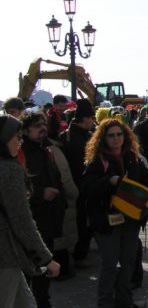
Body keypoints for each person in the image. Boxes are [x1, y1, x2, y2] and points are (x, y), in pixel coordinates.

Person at [81, 118, 148, 308]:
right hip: (107, 220)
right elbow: (87, 189)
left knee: (128, 262)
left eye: (119, 134)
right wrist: (108, 182)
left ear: (125, 136)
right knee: (110, 264)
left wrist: (145, 203)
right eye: (111, 135)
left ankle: (124, 301)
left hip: (131, 219)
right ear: (103, 138)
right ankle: (105, 304)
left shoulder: (133, 157)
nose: (116, 139)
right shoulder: (98, 161)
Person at [0, 115, 61, 308]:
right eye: (16, 136)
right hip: (6, 258)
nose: (20, 141)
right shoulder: (8, 170)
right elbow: (22, 221)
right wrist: (46, 258)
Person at [20, 111, 67, 308]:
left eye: (44, 124)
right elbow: (18, 189)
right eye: (37, 125)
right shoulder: (21, 153)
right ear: (26, 130)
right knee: (32, 271)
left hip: (49, 218)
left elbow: (57, 177)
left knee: (44, 273)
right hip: (32, 220)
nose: (43, 128)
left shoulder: (46, 149)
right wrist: (41, 193)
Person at [60, 98, 96, 269]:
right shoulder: (74, 137)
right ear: (85, 119)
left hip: (80, 184)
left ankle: (79, 253)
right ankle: (79, 255)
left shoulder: (72, 135)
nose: (93, 121)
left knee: (80, 222)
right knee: (81, 223)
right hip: (78, 185)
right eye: (91, 118)